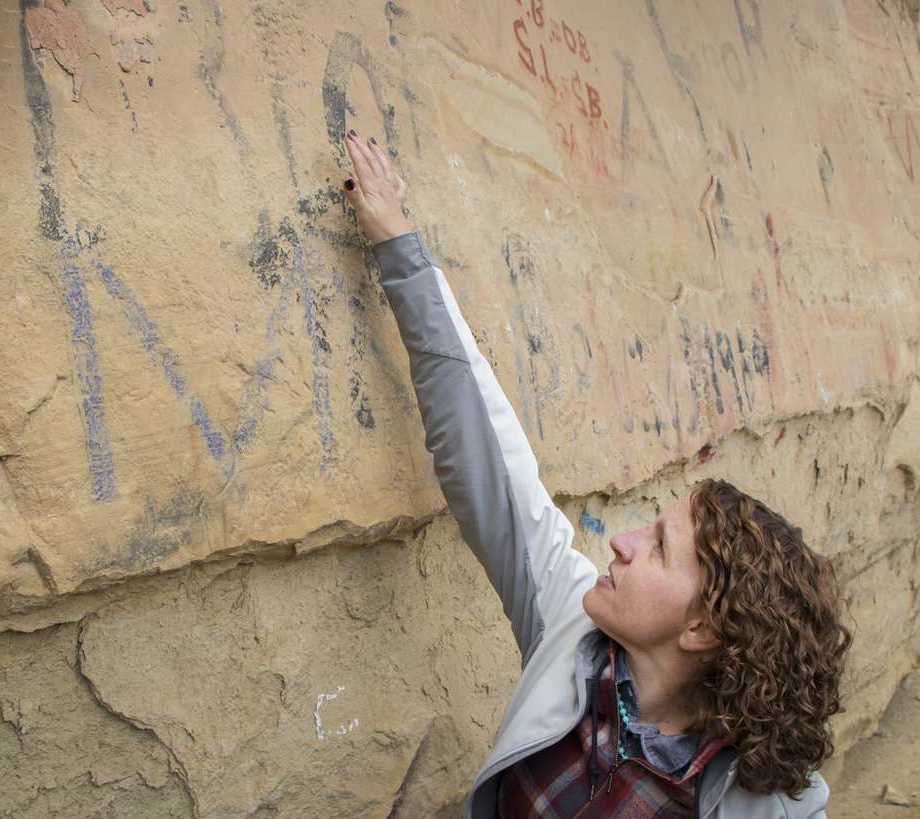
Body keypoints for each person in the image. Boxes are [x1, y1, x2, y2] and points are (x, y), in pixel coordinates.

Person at [339, 130, 852, 819]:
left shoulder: (771, 808)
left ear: (702, 624)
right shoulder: (569, 627)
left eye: (661, 547)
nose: (621, 542)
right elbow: (483, 446)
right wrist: (399, 246)